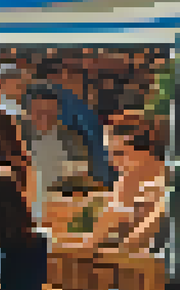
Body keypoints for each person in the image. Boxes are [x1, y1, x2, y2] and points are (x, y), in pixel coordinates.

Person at [77, 110, 168, 254]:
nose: (113, 162)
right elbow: (98, 237)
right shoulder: (127, 181)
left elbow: (128, 242)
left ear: (147, 151)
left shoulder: (161, 186)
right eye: (110, 154)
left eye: (120, 153)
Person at [23, 83, 91, 221]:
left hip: (59, 209)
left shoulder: (71, 138)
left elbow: (81, 178)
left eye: (50, 112)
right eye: (39, 112)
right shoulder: (15, 135)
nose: (45, 117)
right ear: (28, 111)